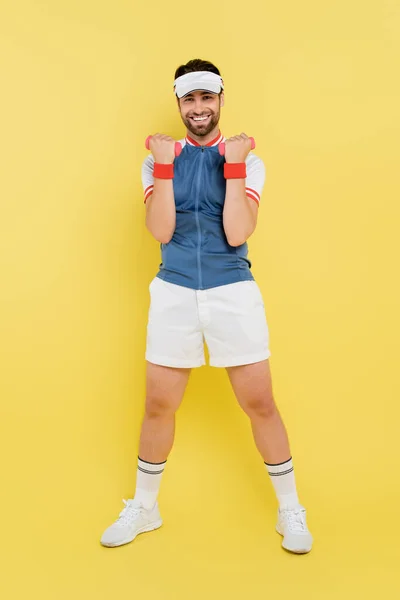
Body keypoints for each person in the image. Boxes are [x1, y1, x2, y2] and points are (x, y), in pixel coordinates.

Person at [100, 59, 313, 554]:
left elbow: (238, 232)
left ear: (220, 100)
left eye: (206, 98)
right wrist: (166, 163)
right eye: (189, 99)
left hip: (232, 292)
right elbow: (161, 231)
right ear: (179, 104)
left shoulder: (249, 160)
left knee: (259, 404)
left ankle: (290, 510)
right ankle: (145, 507)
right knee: (158, 405)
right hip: (173, 291)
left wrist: (234, 166)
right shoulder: (157, 160)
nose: (199, 108)